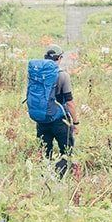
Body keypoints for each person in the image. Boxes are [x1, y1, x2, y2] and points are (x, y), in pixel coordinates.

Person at [36, 44, 80, 178]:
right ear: (59, 58)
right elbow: (69, 102)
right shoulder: (62, 76)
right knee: (66, 151)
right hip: (60, 120)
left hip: (42, 119)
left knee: (45, 152)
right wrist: (76, 122)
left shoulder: (36, 75)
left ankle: (45, 178)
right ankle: (58, 177)